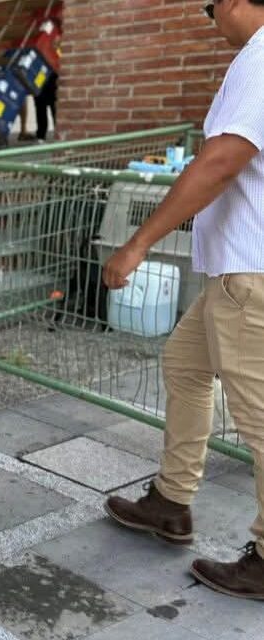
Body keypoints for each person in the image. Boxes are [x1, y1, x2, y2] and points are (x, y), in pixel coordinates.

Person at [102, 0, 264, 601]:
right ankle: (171, 501)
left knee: (259, 421)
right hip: (236, 272)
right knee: (185, 366)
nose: (209, 18)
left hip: (249, 276)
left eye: (209, 7)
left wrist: (139, 243)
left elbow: (222, 160)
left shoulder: (261, 59)